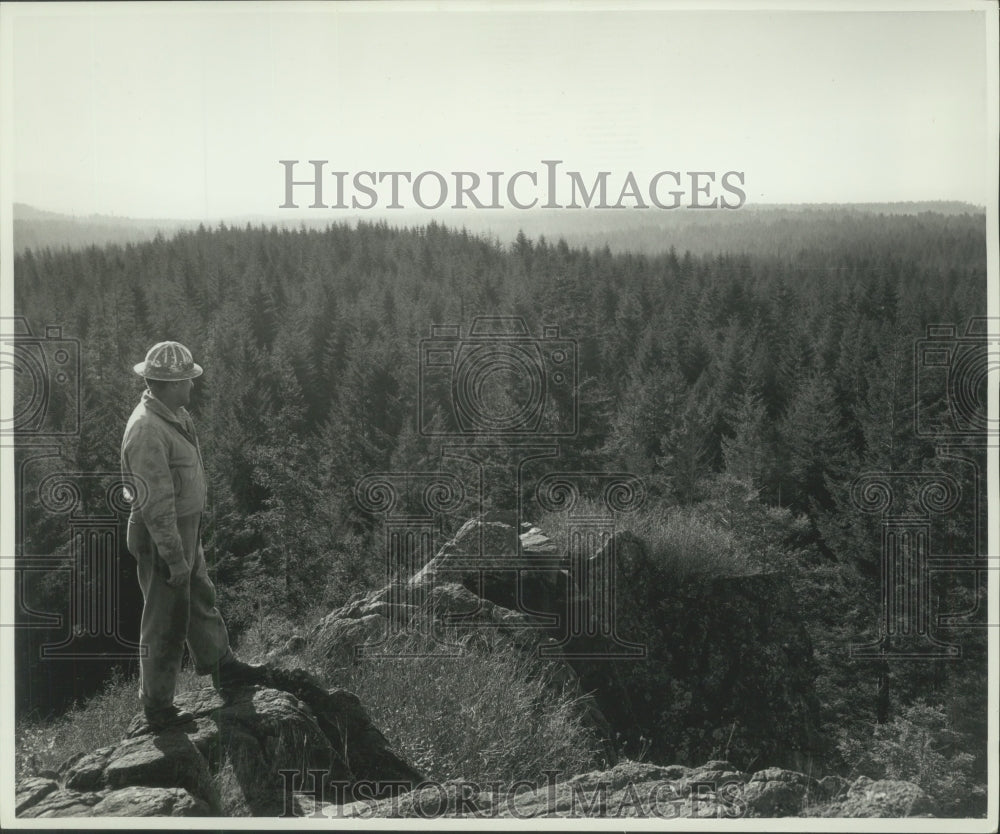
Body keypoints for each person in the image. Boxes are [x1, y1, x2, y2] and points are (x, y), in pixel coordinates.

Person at [121, 341, 261, 730]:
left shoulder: (175, 415)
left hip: (183, 527)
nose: (192, 386)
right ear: (167, 385)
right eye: (185, 380)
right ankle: (158, 707)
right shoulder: (147, 430)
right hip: (160, 534)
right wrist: (174, 556)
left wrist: (189, 541)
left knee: (199, 595)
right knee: (165, 619)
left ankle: (222, 665)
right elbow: (155, 503)